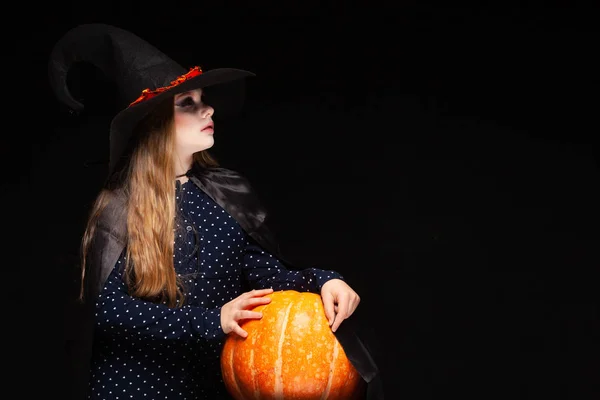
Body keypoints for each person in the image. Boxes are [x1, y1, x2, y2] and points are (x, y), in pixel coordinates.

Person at [50, 23, 382, 400]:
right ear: (152, 122)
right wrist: (212, 321)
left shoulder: (223, 191)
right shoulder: (121, 205)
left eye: (202, 99)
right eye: (187, 103)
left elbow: (262, 274)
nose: (208, 108)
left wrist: (323, 280)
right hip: (136, 387)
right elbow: (107, 310)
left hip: (210, 385)